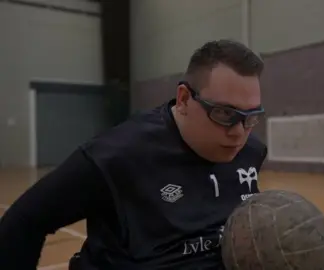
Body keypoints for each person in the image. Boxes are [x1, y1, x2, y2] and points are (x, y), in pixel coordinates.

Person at [0, 39, 268, 269]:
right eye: (224, 114)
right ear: (185, 98)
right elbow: (24, 221)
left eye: (250, 117)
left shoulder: (250, 152)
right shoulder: (116, 157)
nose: (238, 133)